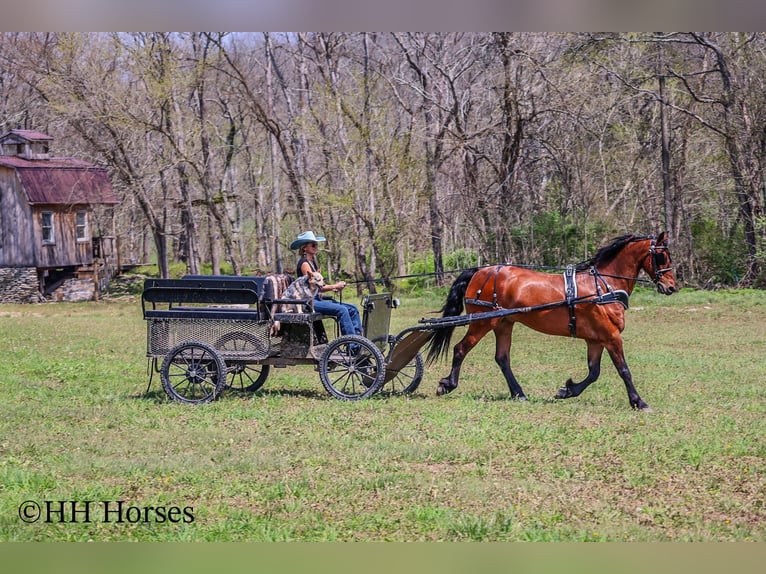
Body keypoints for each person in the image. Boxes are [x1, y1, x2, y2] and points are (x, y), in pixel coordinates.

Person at [290, 231, 362, 337]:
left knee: (353, 309)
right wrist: (334, 286)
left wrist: (334, 287)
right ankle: (352, 345)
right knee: (342, 310)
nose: (316, 247)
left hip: (318, 299)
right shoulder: (304, 264)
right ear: (304, 248)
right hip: (309, 302)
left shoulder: (312, 262)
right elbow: (316, 286)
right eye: (313, 245)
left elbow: (321, 285)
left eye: (316, 244)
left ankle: (359, 341)